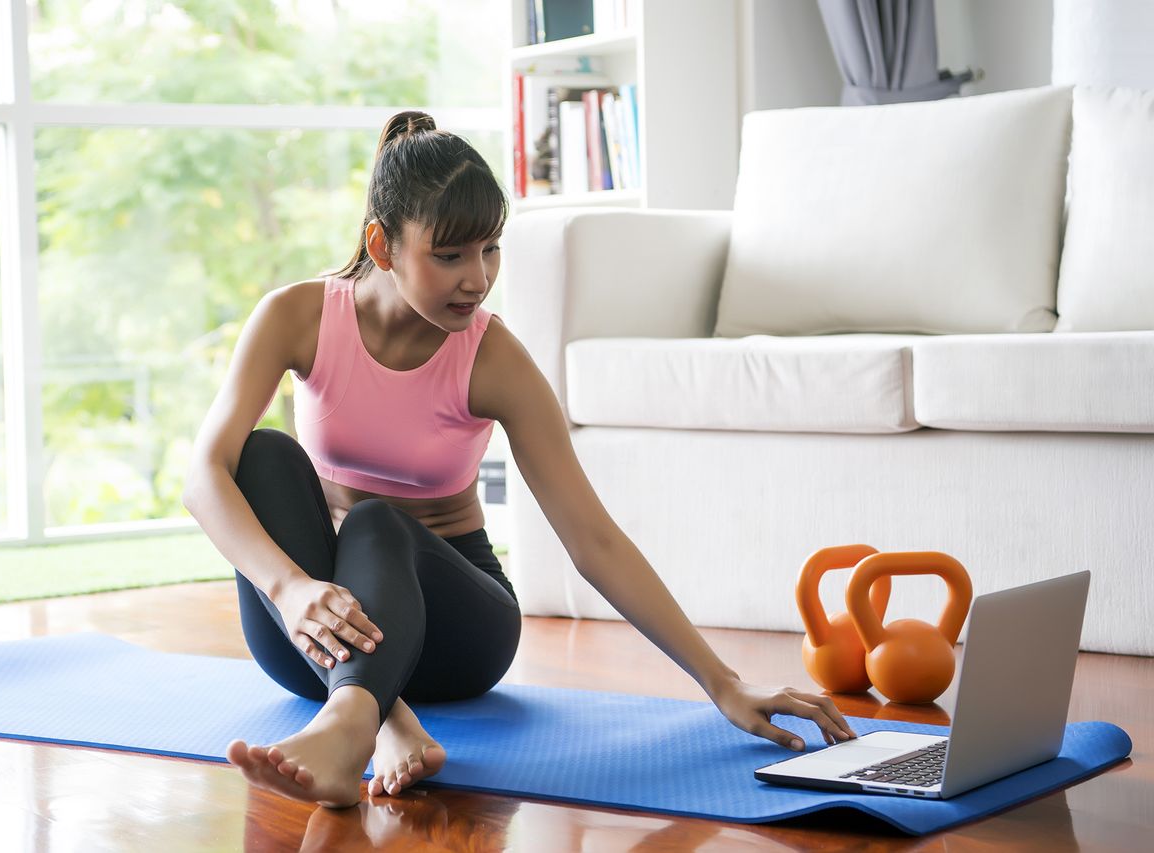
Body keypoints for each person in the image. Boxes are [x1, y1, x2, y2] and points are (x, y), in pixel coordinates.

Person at [182, 110, 856, 809]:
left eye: (490, 250)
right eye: (450, 255)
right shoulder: (298, 316)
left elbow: (591, 540)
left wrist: (723, 681)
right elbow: (203, 477)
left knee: (373, 521)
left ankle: (353, 719)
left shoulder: (492, 358)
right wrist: (289, 589)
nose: (478, 279)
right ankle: (383, 712)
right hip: (312, 631)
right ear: (381, 246)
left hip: (456, 630)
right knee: (259, 455)